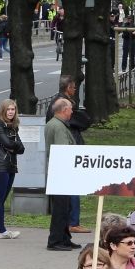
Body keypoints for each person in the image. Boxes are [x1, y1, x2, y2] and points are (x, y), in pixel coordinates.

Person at [44, 98, 79, 251]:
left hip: (59, 173)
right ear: (64, 110)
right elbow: (63, 151)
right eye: (70, 109)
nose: (72, 111)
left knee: (65, 207)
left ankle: (64, 238)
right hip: (60, 173)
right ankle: (55, 240)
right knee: (60, 209)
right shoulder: (58, 127)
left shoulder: (55, 124)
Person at [0, 99, 26, 240]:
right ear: (3, 110)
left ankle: (2, 229)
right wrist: (13, 145)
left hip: (11, 165)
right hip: (1, 165)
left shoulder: (13, 126)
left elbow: (22, 148)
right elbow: (6, 142)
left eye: (13, 109)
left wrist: (13, 145)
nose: (11, 112)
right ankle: (1, 231)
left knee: (3, 198)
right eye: (8, 109)